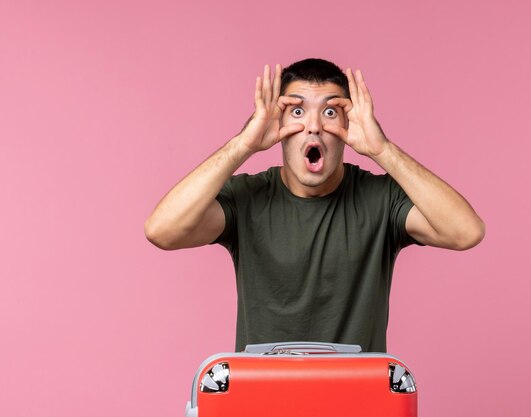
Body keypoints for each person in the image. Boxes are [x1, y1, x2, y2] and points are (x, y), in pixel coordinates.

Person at [144, 58, 485, 352]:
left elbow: (466, 232)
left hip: (358, 404)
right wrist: (241, 145)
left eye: (330, 112)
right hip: (262, 402)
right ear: (279, 125)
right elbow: (162, 231)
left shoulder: (381, 199)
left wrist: (383, 151)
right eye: (296, 111)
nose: (314, 126)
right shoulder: (247, 198)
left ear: (348, 126)